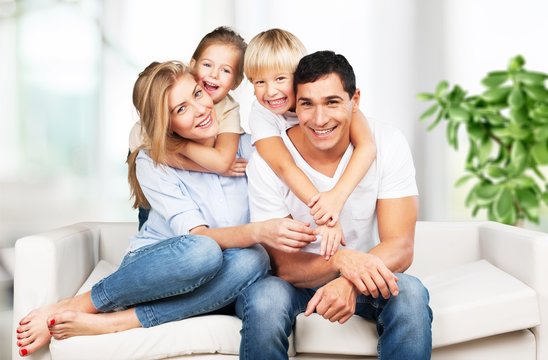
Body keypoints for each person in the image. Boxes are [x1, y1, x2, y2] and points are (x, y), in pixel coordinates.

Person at [15, 60, 317, 357]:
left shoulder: (252, 148)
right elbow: (200, 237)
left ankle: (119, 322)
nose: (200, 110)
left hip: (227, 277)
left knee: (254, 259)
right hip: (162, 268)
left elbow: (310, 128)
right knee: (204, 250)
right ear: (166, 123)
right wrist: (258, 231)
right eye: (180, 109)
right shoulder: (154, 162)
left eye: (197, 94)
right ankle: (77, 305)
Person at [236, 51, 433, 360]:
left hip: (366, 277)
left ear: (355, 100)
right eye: (307, 104)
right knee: (265, 299)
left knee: (409, 294)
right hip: (298, 283)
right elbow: (285, 266)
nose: (319, 119)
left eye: (332, 102)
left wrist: (349, 282)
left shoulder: (388, 142)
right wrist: (342, 261)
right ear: (293, 104)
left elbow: (401, 246)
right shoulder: (267, 161)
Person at [244, 29, 377, 259]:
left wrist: (336, 198)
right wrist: (325, 215)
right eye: (259, 82)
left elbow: (367, 147)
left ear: (297, 77)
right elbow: (284, 166)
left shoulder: (330, 99)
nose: (270, 91)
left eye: (280, 78)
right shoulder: (261, 113)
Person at [129, 26, 248, 230]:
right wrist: (181, 147)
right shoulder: (160, 108)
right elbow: (146, 153)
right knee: (153, 217)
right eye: (207, 64)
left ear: (236, 82)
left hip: (201, 193)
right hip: (160, 188)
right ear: (192, 65)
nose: (214, 75)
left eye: (226, 70)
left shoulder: (228, 109)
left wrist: (177, 147)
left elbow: (221, 162)